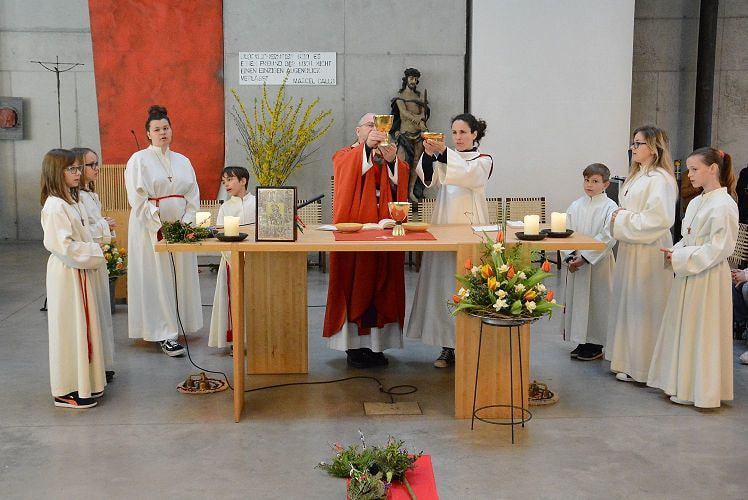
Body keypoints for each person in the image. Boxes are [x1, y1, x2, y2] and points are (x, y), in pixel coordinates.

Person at [648, 147, 738, 407]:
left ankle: (702, 391)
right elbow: (687, 237)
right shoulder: (697, 201)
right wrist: (674, 251)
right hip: (689, 271)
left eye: (695, 169)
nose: (689, 175)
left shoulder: (725, 205)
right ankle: (682, 384)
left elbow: (720, 248)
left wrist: (681, 257)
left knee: (703, 332)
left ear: (713, 169)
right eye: (689, 169)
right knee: (685, 329)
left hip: (709, 276)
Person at [323, 113, 410, 368]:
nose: (375, 129)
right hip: (355, 230)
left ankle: (376, 346)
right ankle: (353, 347)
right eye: (370, 125)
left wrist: (393, 162)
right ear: (358, 130)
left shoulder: (386, 155)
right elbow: (347, 170)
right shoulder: (345, 154)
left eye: (379, 125)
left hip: (383, 230)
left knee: (383, 285)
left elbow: (400, 179)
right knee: (354, 285)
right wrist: (367, 149)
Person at [406, 113, 492, 368]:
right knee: (445, 285)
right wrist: (428, 154)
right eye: (454, 133)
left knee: (470, 285)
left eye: (463, 132)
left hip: (472, 230)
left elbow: (468, 176)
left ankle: (472, 344)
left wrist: (443, 152)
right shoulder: (447, 158)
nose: (458, 137)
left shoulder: (483, 160)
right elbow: (428, 178)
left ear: (475, 134)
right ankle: (447, 345)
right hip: (445, 225)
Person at [124, 105, 202, 356]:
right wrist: (160, 225)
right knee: (157, 278)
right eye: (156, 129)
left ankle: (179, 325)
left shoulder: (183, 161)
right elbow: (137, 199)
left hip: (180, 229)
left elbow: (193, 195)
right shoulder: (138, 160)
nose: (162, 133)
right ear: (148, 134)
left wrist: (185, 224)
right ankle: (163, 332)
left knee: (179, 276)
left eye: (166, 128)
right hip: (151, 228)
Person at [606, 125, 678, 383]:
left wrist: (621, 219)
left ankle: (644, 366)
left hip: (649, 249)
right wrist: (619, 217)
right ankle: (627, 360)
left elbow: (659, 218)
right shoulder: (637, 176)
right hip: (631, 247)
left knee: (645, 305)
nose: (632, 148)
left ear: (654, 148)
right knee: (629, 303)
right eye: (633, 143)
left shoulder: (660, 179)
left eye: (638, 143)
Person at [41, 149, 107, 408]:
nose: (78, 173)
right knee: (69, 329)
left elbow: (83, 235)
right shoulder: (55, 206)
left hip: (79, 269)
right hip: (67, 272)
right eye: (71, 169)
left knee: (83, 327)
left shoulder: (71, 200)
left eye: (78, 168)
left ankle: (86, 382)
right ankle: (65, 389)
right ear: (56, 172)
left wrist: (94, 247)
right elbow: (64, 246)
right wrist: (96, 251)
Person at [561, 163, 618, 361]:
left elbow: (609, 235)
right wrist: (570, 256)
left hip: (598, 264)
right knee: (578, 302)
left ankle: (596, 343)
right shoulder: (576, 205)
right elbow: (565, 231)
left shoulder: (610, 207)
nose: (589, 185)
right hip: (576, 263)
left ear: (606, 184)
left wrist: (585, 257)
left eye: (595, 181)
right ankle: (582, 340)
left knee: (597, 302)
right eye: (586, 180)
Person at [72, 147, 116, 382]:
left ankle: (104, 363)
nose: (97, 168)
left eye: (96, 163)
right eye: (91, 164)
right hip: (87, 257)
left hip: (97, 257)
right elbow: (81, 231)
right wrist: (104, 226)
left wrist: (103, 225)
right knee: (94, 313)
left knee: (102, 312)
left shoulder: (90, 194)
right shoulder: (75, 197)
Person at [209, 166, 256, 349]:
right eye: (223, 182)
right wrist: (233, 258)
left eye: (230, 180)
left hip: (255, 260)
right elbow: (221, 236)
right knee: (233, 300)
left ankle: (255, 339)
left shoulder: (257, 203)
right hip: (231, 261)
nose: (226, 184)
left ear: (243, 181)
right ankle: (235, 340)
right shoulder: (225, 207)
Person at [390, 68, 430, 202]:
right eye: (411, 78)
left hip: (418, 134)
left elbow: (424, 112)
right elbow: (403, 113)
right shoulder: (401, 96)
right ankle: (399, 192)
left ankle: (411, 191)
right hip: (404, 134)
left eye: (415, 79)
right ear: (406, 79)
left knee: (416, 163)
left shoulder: (420, 96)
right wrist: (418, 119)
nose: (413, 81)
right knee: (401, 163)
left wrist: (422, 118)